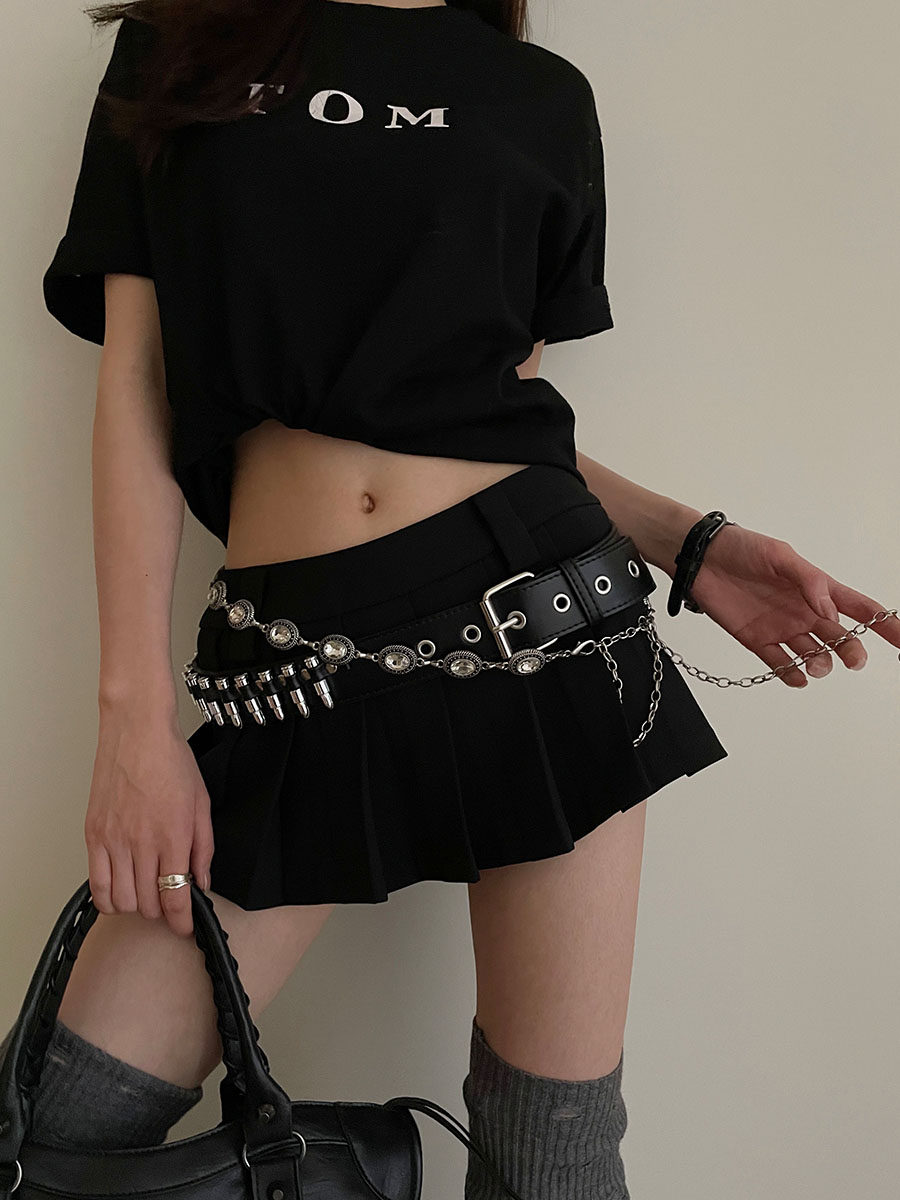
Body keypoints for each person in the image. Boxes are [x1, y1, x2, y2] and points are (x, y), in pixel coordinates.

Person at [13, 2, 898, 1196]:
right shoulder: (192, 42)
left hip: (548, 630)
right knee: (53, 1129)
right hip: (293, 670)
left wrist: (687, 542)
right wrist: (133, 722)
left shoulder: (539, 95)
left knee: (551, 1159)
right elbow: (137, 379)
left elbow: (486, 415)